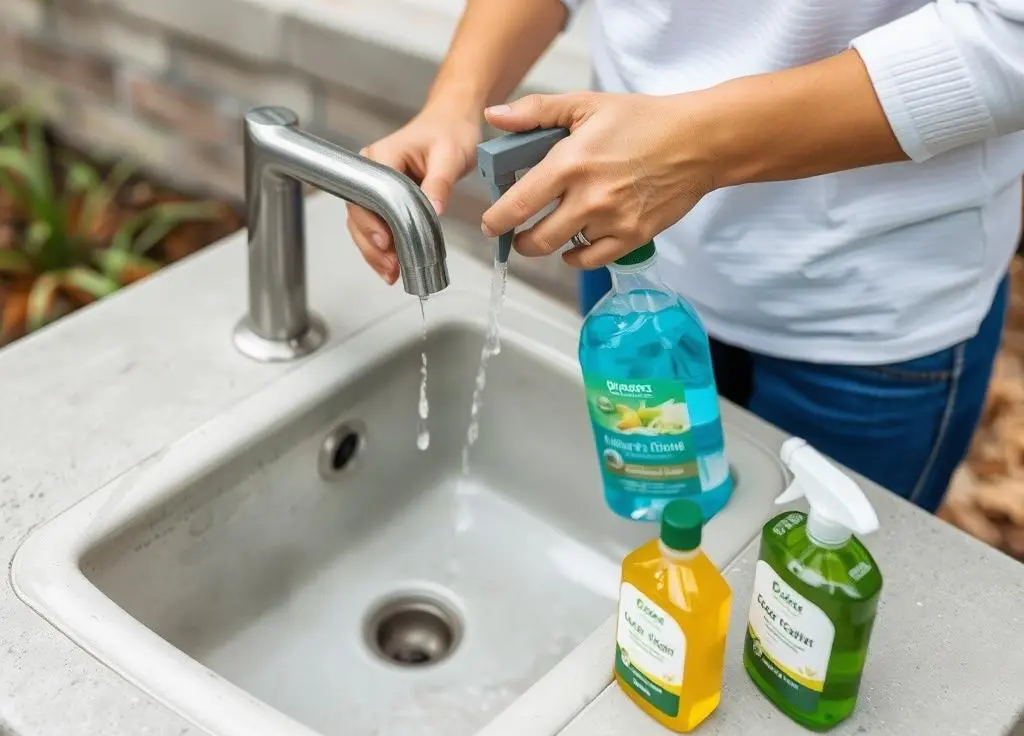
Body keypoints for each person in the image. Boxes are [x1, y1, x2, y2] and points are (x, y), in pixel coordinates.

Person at [346, 0, 1024, 513]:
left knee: (800, 612)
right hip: (635, 267)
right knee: (660, 535)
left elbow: (1007, 33)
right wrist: (456, 102)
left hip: (869, 312)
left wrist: (696, 147)